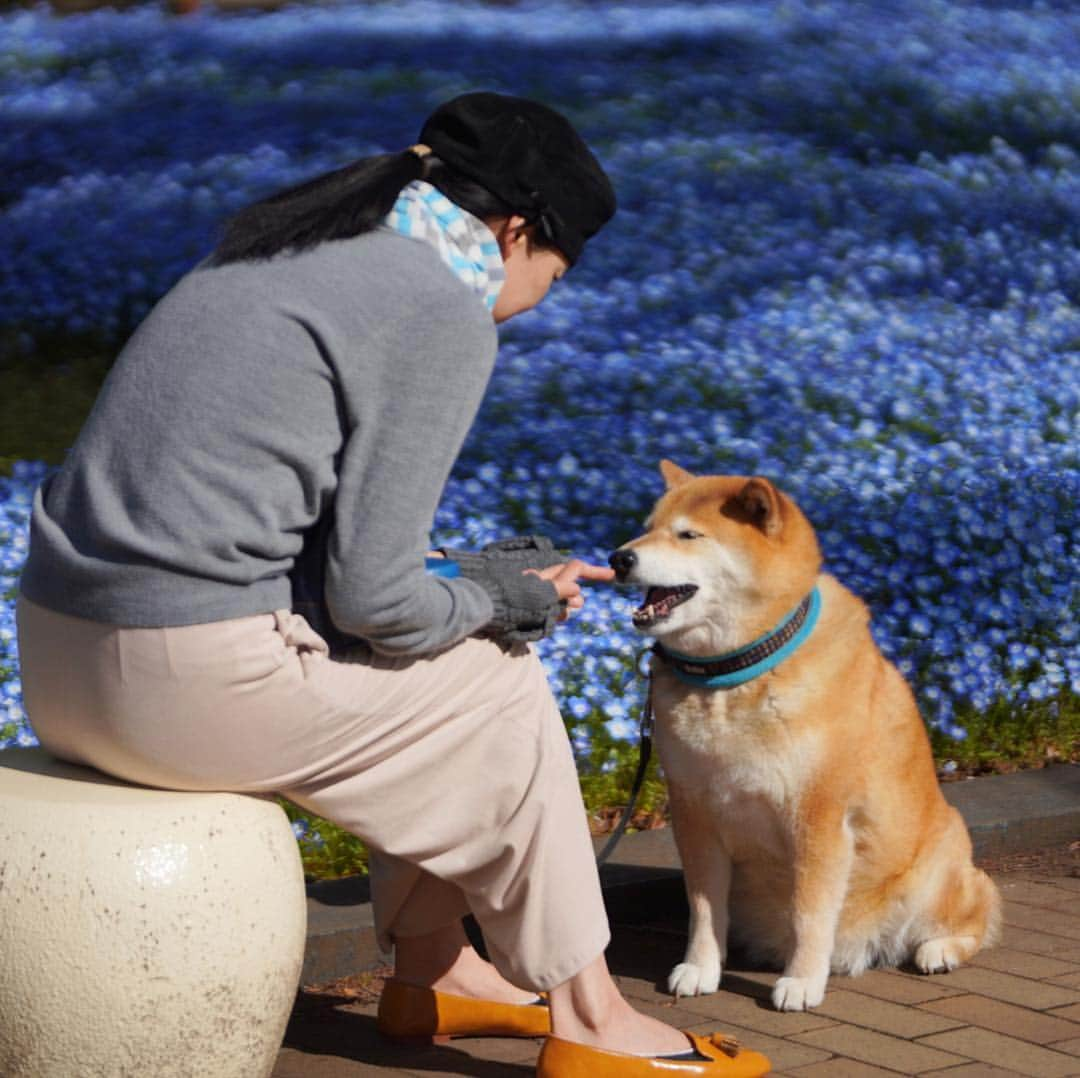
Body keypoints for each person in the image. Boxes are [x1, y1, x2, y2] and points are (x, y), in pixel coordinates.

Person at [15, 92, 769, 1076]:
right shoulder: (435, 303)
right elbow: (373, 603)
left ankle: (439, 971)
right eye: (554, 272)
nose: (540, 295)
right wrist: (506, 603)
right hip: (178, 691)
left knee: (449, 653)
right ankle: (591, 1020)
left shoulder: (280, 246)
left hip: (59, 667)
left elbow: (309, 563)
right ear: (515, 231)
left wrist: (470, 579)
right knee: (495, 680)